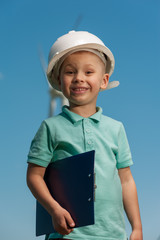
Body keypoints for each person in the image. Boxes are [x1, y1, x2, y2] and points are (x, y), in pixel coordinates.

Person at [27, 30, 143, 240]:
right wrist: (54, 209)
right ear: (58, 80)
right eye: (70, 72)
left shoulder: (116, 128)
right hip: (68, 234)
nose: (79, 78)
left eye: (89, 72)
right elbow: (35, 176)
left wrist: (137, 227)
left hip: (112, 235)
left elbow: (126, 181)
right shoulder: (50, 127)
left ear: (104, 80)